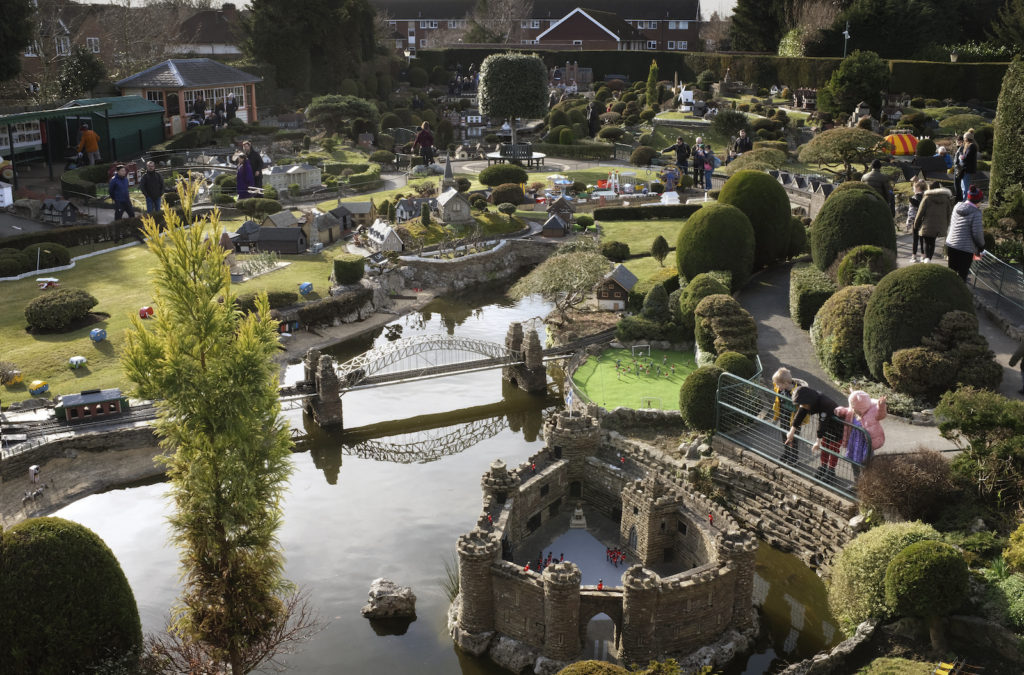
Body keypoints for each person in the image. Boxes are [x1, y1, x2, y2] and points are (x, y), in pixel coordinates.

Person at [785, 384, 844, 481]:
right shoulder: (809, 401)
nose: (802, 406)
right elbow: (801, 413)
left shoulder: (824, 403)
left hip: (837, 429)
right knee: (824, 448)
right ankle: (823, 467)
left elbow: (822, 423)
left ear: (808, 401)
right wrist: (792, 431)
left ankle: (831, 471)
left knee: (833, 450)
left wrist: (818, 441)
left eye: (803, 404)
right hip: (826, 428)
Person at [835, 391, 887, 479]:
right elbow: (846, 410)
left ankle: (866, 483)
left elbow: (881, 415)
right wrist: (839, 411)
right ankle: (857, 482)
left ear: (862, 406)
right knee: (854, 462)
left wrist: (882, 406)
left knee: (866, 463)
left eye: (855, 408)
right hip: (854, 442)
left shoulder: (872, 411)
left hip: (866, 443)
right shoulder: (853, 410)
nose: (853, 409)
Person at [945, 185, 985, 281]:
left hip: (952, 244)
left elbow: (952, 225)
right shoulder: (976, 213)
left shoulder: (957, 206)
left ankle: (949, 294)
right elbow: (977, 233)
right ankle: (960, 294)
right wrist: (981, 246)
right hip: (965, 248)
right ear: (978, 201)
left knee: (951, 273)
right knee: (962, 275)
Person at [772, 367, 807, 463]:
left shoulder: (797, 392)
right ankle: (787, 453)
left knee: (793, 439)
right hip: (783, 417)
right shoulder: (781, 389)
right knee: (784, 435)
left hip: (794, 420)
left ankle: (794, 457)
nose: (777, 386)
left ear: (786, 384)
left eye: (778, 385)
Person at [913, 180, 953, 264]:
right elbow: (949, 214)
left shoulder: (927, 198)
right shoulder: (946, 199)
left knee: (927, 242)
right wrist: (947, 225)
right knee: (932, 242)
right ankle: (929, 259)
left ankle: (927, 258)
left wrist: (916, 224)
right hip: (939, 226)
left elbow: (920, 212)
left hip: (927, 225)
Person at [906, 180, 925, 261]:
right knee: (922, 239)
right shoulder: (926, 197)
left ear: (918, 188)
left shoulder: (913, 198)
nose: (913, 189)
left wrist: (909, 222)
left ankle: (914, 256)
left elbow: (912, 212)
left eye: (913, 187)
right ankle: (923, 255)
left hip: (916, 221)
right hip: (924, 221)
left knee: (915, 239)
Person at [958, 130, 978, 202]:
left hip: (967, 169)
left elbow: (967, 157)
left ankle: (966, 201)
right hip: (965, 169)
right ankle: (965, 200)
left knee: (966, 186)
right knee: (963, 186)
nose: (963, 139)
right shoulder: (969, 146)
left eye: (964, 138)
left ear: (966, 138)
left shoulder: (972, 146)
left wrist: (961, 157)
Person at [951, 136, 965, 202]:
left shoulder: (961, 148)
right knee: (957, 184)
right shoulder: (960, 148)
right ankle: (959, 198)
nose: (956, 142)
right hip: (958, 169)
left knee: (957, 184)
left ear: (960, 141)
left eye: (957, 141)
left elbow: (961, 159)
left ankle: (959, 198)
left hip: (959, 169)